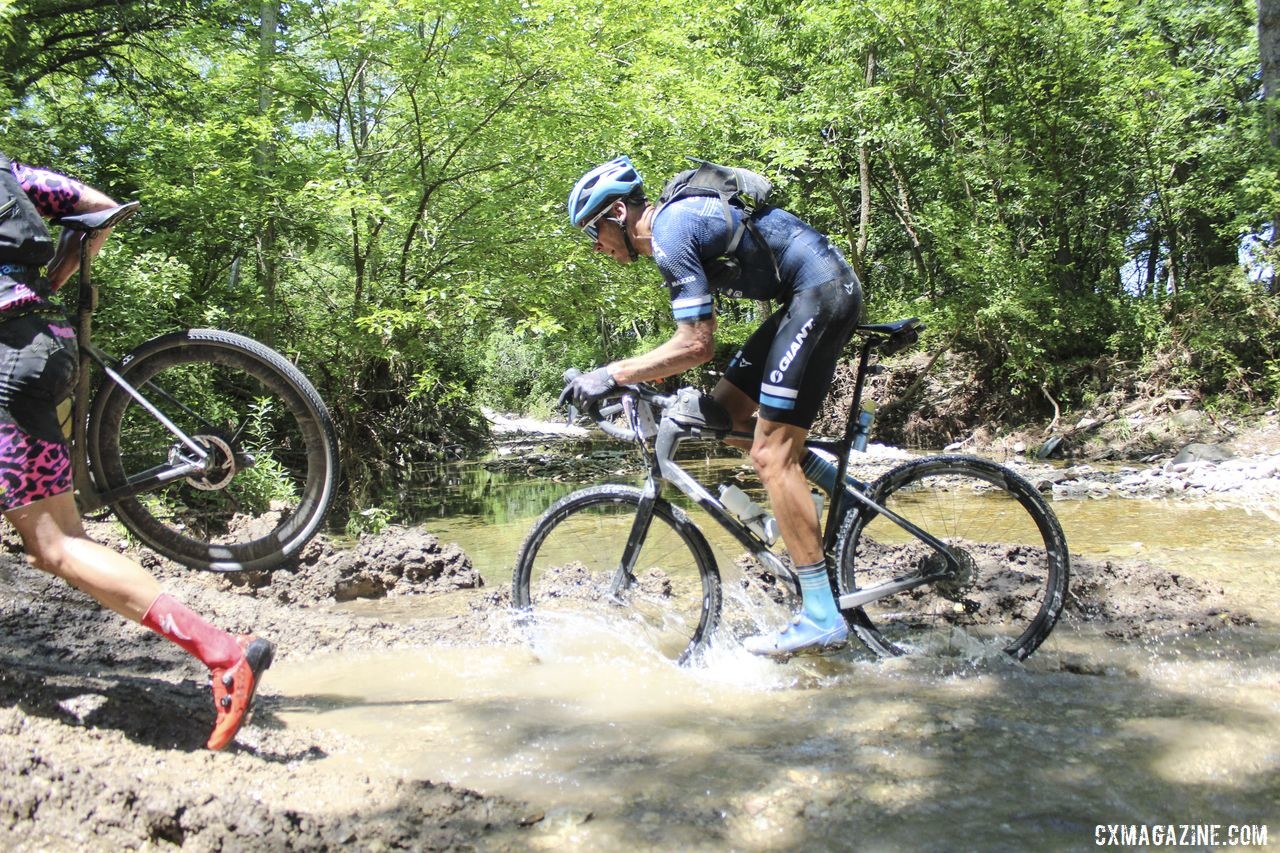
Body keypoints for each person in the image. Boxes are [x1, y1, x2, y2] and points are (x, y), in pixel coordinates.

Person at [0, 155, 274, 749]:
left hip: (6, 367)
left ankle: (222, 653)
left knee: (56, 545)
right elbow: (99, 206)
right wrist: (49, 280)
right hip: (48, 348)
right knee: (60, 536)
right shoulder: (8, 171)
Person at [563, 155, 863, 656]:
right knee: (724, 418)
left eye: (594, 232)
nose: (597, 247)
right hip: (808, 296)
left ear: (617, 213)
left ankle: (820, 614)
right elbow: (687, 348)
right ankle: (846, 491)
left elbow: (695, 346)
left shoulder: (670, 231)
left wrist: (612, 374)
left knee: (771, 456)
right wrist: (628, 383)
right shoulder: (674, 229)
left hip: (821, 294)